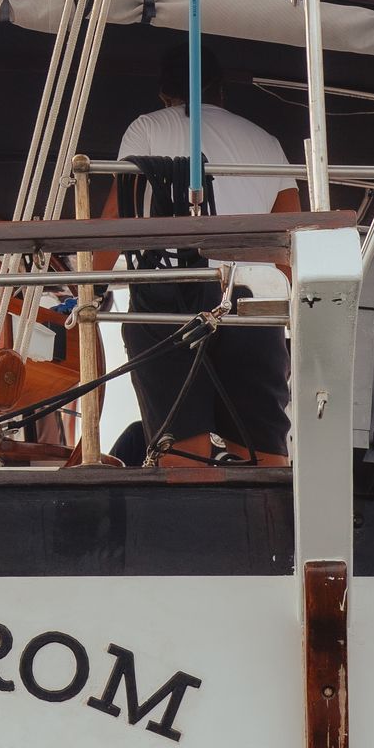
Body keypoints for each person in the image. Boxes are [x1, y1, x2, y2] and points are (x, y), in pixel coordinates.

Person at [112, 36, 298, 471]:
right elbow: (289, 244)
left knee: (182, 454)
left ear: (164, 94)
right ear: (221, 89)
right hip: (249, 299)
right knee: (265, 452)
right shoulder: (266, 141)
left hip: (166, 298)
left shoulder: (147, 128)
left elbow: (115, 222)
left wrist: (85, 293)